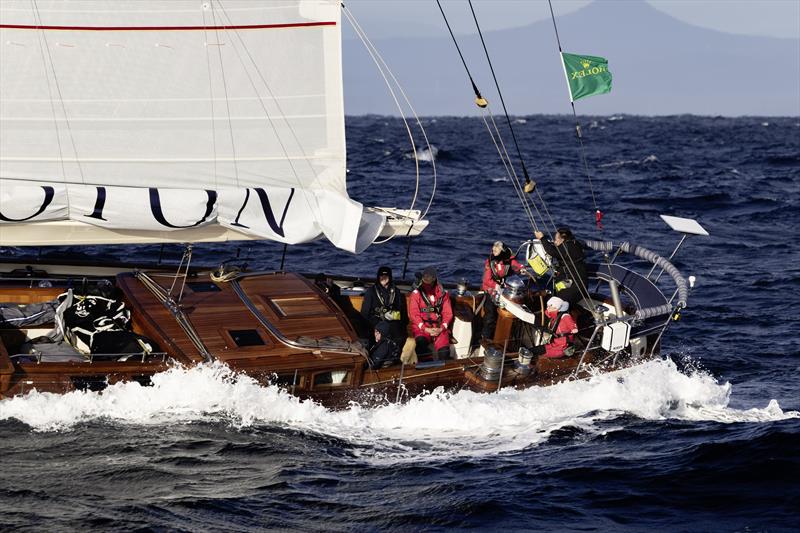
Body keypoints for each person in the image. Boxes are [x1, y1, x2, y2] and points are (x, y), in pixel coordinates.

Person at [481, 240, 525, 341]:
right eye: (493, 250)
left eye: (497, 250)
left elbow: (515, 264)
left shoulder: (508, 259)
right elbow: (486, 279)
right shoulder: (490, 262)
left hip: (504, 290)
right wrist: (496, 286)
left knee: (504, 313)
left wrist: (521, 268)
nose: (494, 251)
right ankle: (486, 337)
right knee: (490, 315)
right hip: (492, 290)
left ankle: (503, 336)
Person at [534, 227, 588, 306]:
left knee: (552, 302)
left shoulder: (565, 248)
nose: (554, 242)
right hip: (582, 285)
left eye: (556, 240)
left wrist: (542, 238)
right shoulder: (576, 244)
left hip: (574, 288)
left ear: (562, 240)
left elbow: (551, 251)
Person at [409, 266, 453, 360]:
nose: (427, 284)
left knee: (444, 351)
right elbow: (414, 314)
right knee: (421, 346)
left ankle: (443, 370)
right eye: (425, 281)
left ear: (435, 280)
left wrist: (442, 328)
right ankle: (426, 368)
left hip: (439, 327)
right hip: (422, 327)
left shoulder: (443, 294)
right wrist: (425, 329)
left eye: (429, 281)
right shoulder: (416, 294)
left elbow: (447, 313)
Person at [360, 265, 407, 347]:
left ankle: (395, 355)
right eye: (381, 276)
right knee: (382, 333)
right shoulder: (371, 292)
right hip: (376, 322)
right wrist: (374, 329)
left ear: (390, 277)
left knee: (399, 335)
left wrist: (396, 318)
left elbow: (402, 312)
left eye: (386, 276)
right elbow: (364, 314)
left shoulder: (396, 292)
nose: (384, 278)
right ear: (378, 277)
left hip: (393, 321)